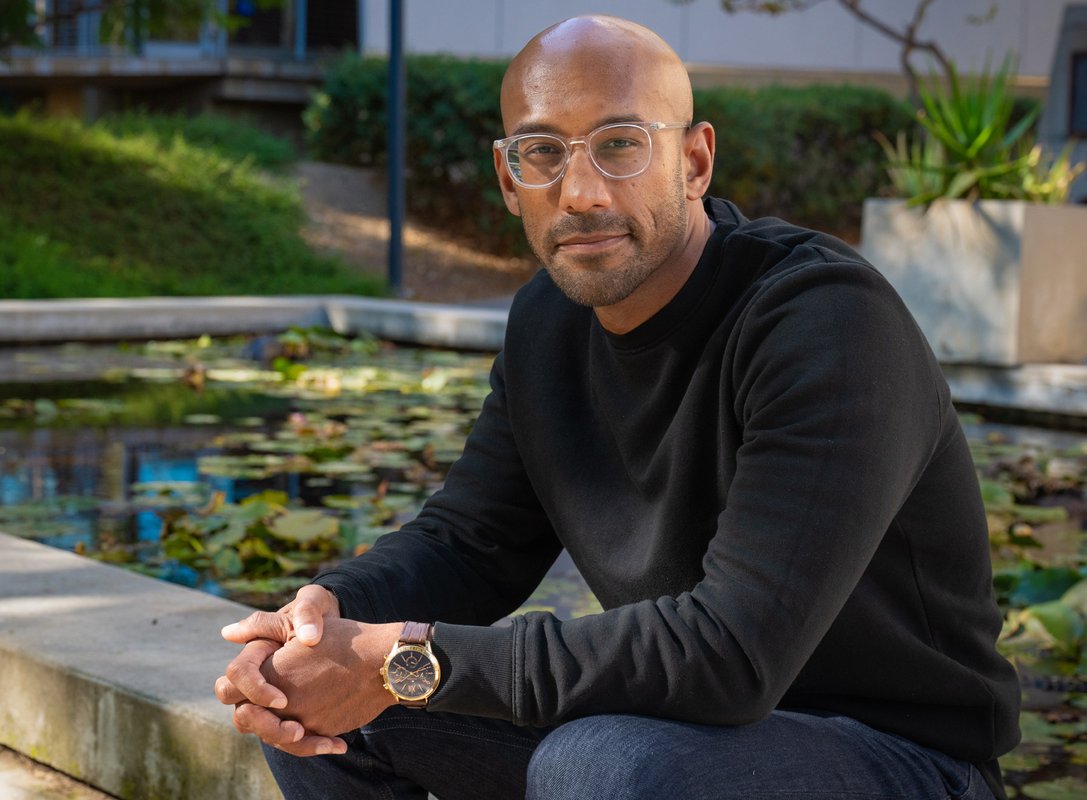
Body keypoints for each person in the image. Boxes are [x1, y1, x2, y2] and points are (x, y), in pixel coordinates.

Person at [215, 14, 1021, 800]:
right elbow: (471, 543)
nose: (581, 192)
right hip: (685, 728)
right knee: (310, 701)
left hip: (903, 759)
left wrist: (399, 658)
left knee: (605, 765)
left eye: (620, 144)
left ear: (695, 161)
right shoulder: (547, 323)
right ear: (507, 179)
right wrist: (326, 618)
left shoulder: (824, 321)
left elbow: (730, 655)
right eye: (541, 153)